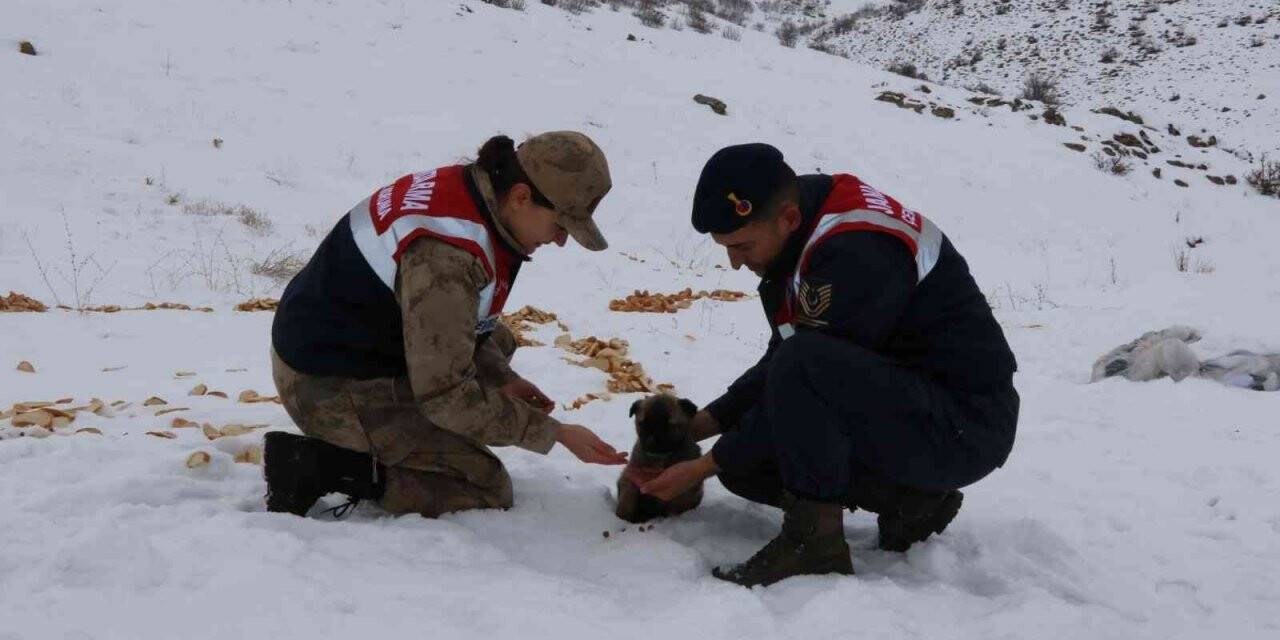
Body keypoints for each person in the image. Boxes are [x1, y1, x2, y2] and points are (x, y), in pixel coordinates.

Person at [640, 143, 1019, 587]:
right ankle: (911, 501)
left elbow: (805, 367)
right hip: (909, 403)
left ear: (787, 218)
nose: (735, 262)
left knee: (764, 419)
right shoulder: (801, 226)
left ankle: (814, 544)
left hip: (964, 426)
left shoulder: (856, 250)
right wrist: (705, 423)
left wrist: (704, 466)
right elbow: (785, 359)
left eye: (742, 246)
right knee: (745, 464)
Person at [264, 131, 628, 519]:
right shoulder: (446, 259)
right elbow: (444, 396)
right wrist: (553, 432)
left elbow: (464, 323)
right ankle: (324, 466)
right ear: (521, 197)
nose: (560, 241)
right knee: (484, 486)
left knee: (499, 341)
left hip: (340, 341)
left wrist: (500, 378)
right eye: (560, 225)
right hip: (323, 384)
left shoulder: (478, 189)